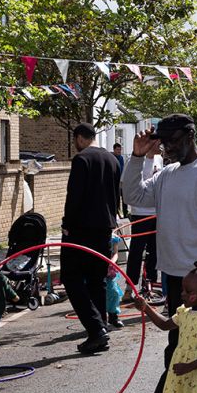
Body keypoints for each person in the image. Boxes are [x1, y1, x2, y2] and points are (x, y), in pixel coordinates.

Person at [123, 114, 197, 393]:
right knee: (187, 343)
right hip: (173, 275)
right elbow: (133, 195)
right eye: (163, 142)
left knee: (187, 343)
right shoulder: (167, 174)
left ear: (190, 136)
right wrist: (138, 157)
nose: (167, 148)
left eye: (172, 141)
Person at [60, 123, 120, 354]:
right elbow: (116, 194)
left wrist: (67, 224)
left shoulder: (82, 159)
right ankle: (100, 329)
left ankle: (96, 329)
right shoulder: (113, 160)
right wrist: (113, 222)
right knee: (97, 281)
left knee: (71, 277)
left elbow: (74, 195)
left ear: (79, 138)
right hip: (104, 228)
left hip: (81, 230)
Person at [137, 266, 197, 393]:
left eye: (188, 291)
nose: (183, 294)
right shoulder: (184, 313)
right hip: (182, 368)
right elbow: (165, 325)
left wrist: (189, 366)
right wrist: (146, 308)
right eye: (182, 290)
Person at [125, 149, 163, 300]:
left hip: (156, 212)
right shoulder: (135, 161)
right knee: (136, 250)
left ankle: (151, 284)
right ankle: (130, 286)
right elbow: (132, 183)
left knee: (154, 251)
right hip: (140, 212)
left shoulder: (160, 160)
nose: (157, 145)